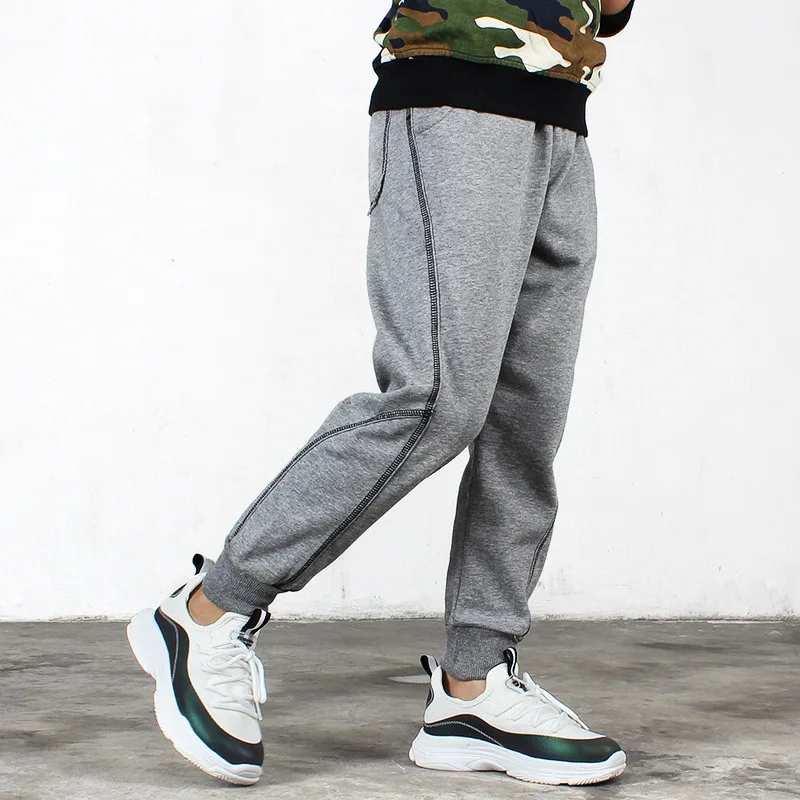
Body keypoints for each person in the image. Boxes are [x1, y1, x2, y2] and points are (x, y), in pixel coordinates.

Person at [127, 0, 637, 787]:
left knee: (525, 422)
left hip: (564, 113)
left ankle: (473, 687)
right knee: (433, 399)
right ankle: (207, 612)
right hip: (454, 93)